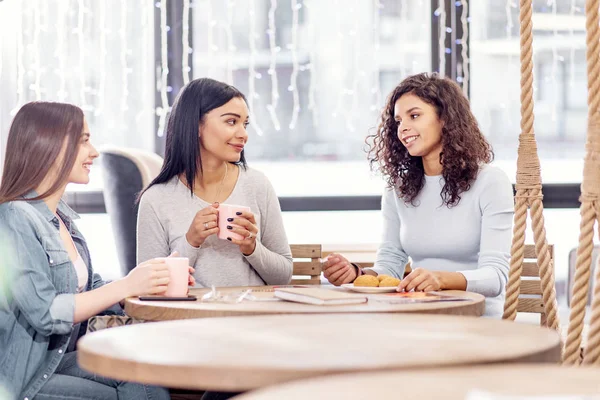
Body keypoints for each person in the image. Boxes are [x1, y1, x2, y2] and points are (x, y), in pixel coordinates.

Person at [0, 101, 180, 399]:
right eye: (84, 141)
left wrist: (148, 282)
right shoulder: (15, 217)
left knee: (146, 376)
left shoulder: (63, 219)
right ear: (51, 145)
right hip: (23, 376)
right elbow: (45, 312)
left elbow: (92, 288)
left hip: (55, 361)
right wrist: (127, 285)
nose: (94, 152)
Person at [323, 73, 514, 317]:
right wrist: (357, 275)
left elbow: (495, 277)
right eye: (399, 120)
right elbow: (390, 265)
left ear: (445, 118)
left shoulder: (490, 181)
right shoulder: (398, 188)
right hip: (418, 315)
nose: (403, 128)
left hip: (476, 318)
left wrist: (441, 279)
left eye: (414, 116)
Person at [137, 78, 292, 287]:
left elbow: (283, 277)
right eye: (231, 121)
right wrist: (191, 241)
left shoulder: (257, 185)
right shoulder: (156, 199)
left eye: (244, 124)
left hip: (252, 316)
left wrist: (252, 248)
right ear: (196, 124)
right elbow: (147, 286)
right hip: (189, 319)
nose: (243, 134)